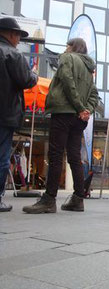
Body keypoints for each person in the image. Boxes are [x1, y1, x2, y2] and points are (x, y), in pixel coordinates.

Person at [23, 38, 99, 214]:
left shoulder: (67, 57)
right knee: (74, 156)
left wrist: (80, 107)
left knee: (56, 155)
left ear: (72, 47)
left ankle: (49, 200)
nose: (65, 48)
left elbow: (66, 80)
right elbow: (94, 94)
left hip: (64, 111)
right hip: (79, 118)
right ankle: (78, 199)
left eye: (67, 45)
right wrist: (86, 110)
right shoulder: (89, 68)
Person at [0, 17, 38, 212]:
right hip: (5, 113)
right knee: (1, 156)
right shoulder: (13, 55)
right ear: (12, 35)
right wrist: (34, 74)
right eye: (18, 37)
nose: (18, 41)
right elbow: (27, 80)